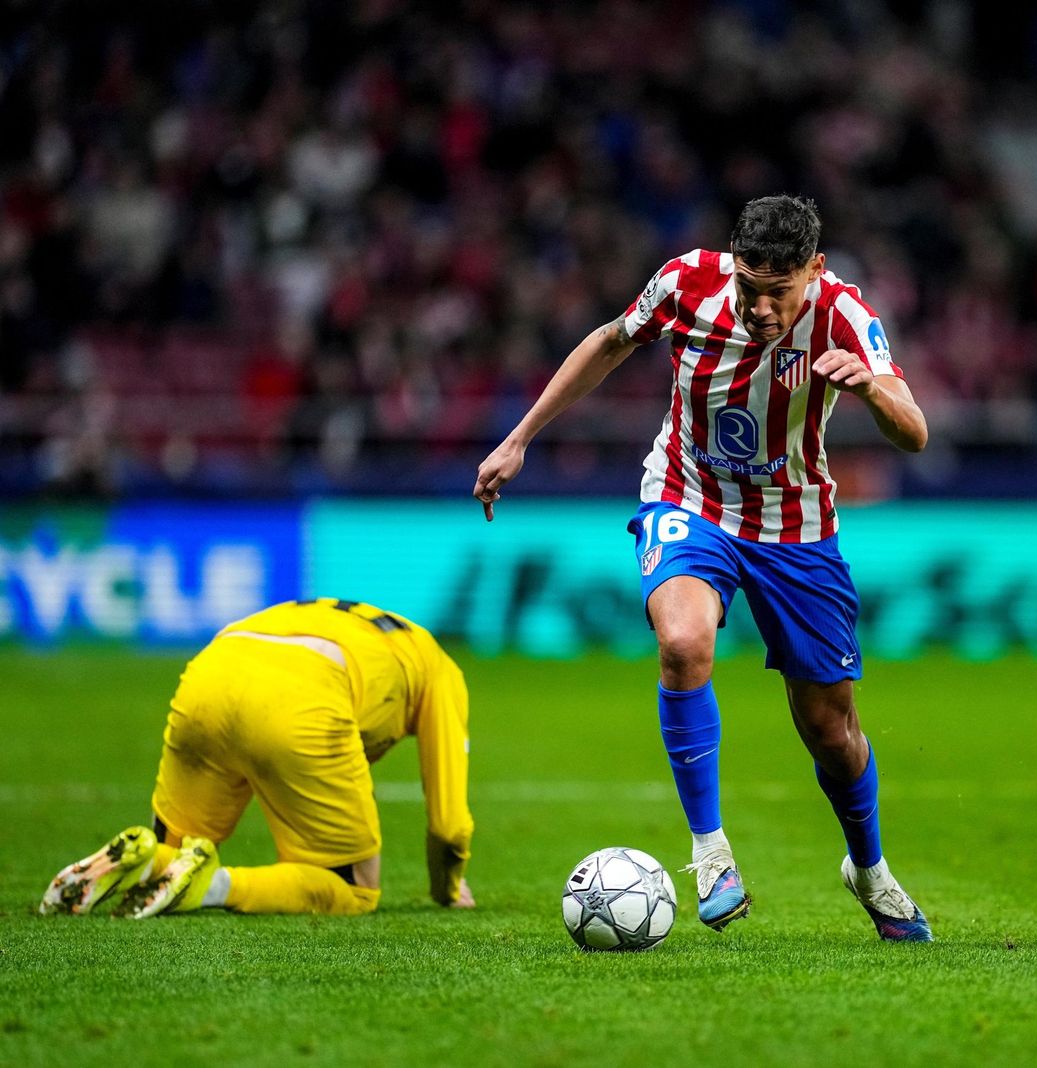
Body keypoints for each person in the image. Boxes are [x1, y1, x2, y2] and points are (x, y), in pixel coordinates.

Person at [474, 194, 932, 941]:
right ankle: (710, 852)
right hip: (691, 499)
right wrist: (521, 437)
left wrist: (870, 387)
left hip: (796, 527)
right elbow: (610, 340)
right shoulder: (687, 282)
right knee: (684, 643)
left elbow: (914, 432)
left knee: (830, 726)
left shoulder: (846, 315)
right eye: (749, 288)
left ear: (814, 271)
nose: (759, 309)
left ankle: (869, 869)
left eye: (777, 294)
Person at [40, 598, 474, 918]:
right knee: (353, 891)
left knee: (178, 848)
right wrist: (448, 889)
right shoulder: (439, 669)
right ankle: (216, 887)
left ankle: (147, 860)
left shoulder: (328, 612)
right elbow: (449, 825)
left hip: (209, 675)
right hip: (304, 694)